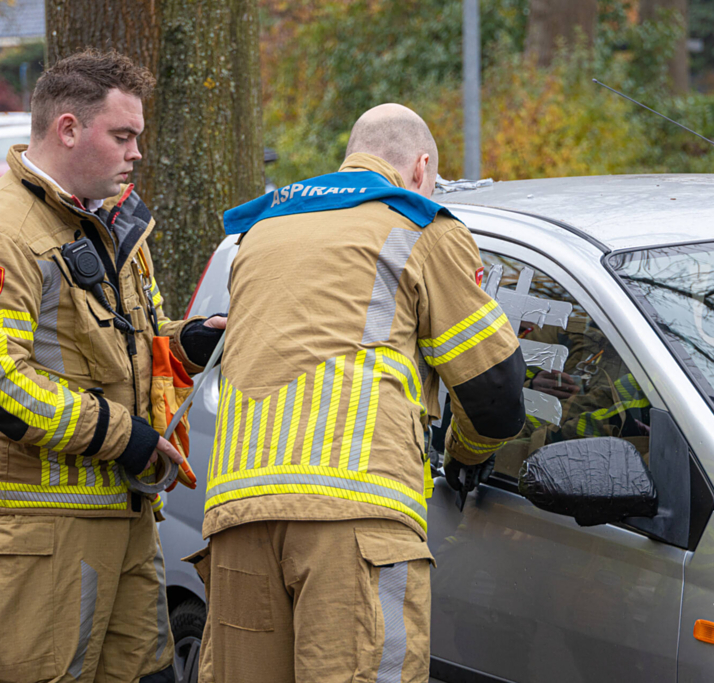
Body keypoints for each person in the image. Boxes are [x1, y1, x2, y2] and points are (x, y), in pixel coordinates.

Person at [193, 103, 526, 683]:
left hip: (238, 514)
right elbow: (495, 394)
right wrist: (466, 457)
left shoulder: (262, 232)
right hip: (353, 513)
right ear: (421, 168)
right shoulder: (421, 228)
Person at [0, 49, 225, 683]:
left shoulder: (107, 223)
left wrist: (192, 343)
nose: (136, 152)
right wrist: (128, 438)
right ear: (68, 128)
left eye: (137, 137)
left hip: (123, 528)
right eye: (122, 135)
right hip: (41, 539)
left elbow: (132, 350)